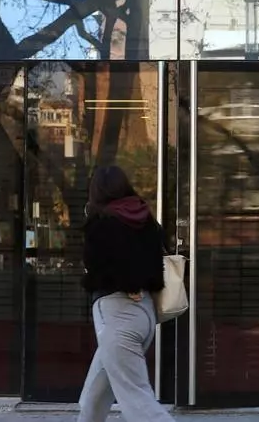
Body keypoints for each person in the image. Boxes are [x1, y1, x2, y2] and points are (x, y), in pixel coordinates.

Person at [77, 165, 175, 422]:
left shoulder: (101, 224)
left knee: (138, 400)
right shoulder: (146, 219)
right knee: (94, 398)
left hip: (116, 315)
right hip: (145, 314)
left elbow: (97, 269)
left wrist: (120, 283)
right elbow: (154, 265)